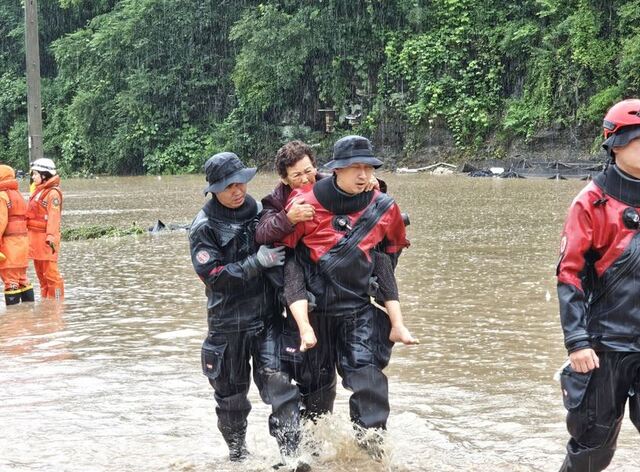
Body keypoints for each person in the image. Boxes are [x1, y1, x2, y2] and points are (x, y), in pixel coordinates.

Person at [278, 135, 410, 453]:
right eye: (354, 168)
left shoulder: (384, 207)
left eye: (368, 167)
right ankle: (310, 454)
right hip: (317, 314)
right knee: (316, 396)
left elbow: (390, 251)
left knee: (369, 383)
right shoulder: (304, 205)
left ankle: (371, 453)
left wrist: (371, 282)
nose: (363, 174)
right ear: (336, 169)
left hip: (358, 312)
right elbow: (287, 257)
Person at [188, 152, 305, 466]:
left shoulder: (260, 212)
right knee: (231, 399)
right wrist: (257, 261)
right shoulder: (204, 227)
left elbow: (302, 199)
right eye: (229, 187)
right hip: (227, 325)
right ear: (214, 189)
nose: (238, 190)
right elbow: (213, 277)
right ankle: (237, 455)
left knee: (280, 383)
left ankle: (292, 456)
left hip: (267, 320)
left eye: (241, 183)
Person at [556, 98, 640, 471]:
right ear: (616, 144)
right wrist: (577, 342)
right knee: (592, 448)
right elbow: (569, 274)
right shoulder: (591, 202)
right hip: (604, 345)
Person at [26, 158, 64, 300]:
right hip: (35, 240)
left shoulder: (53, 194)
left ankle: (58, 302)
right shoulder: (38, 192)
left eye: (35, 174)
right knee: (41, 276)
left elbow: (54, 218)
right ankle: (46, 305)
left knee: (51, 275)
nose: (33, 177)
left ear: (44, 175)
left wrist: (51, 239)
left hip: (47, 241)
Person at [0, 165, 34, 305]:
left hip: (9, 245)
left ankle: (13, 321)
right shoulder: (18, 194)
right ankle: (28, 314)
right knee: (22, 279)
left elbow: (1, 221)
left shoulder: (2, 196)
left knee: (11, 281)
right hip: (23, 244)